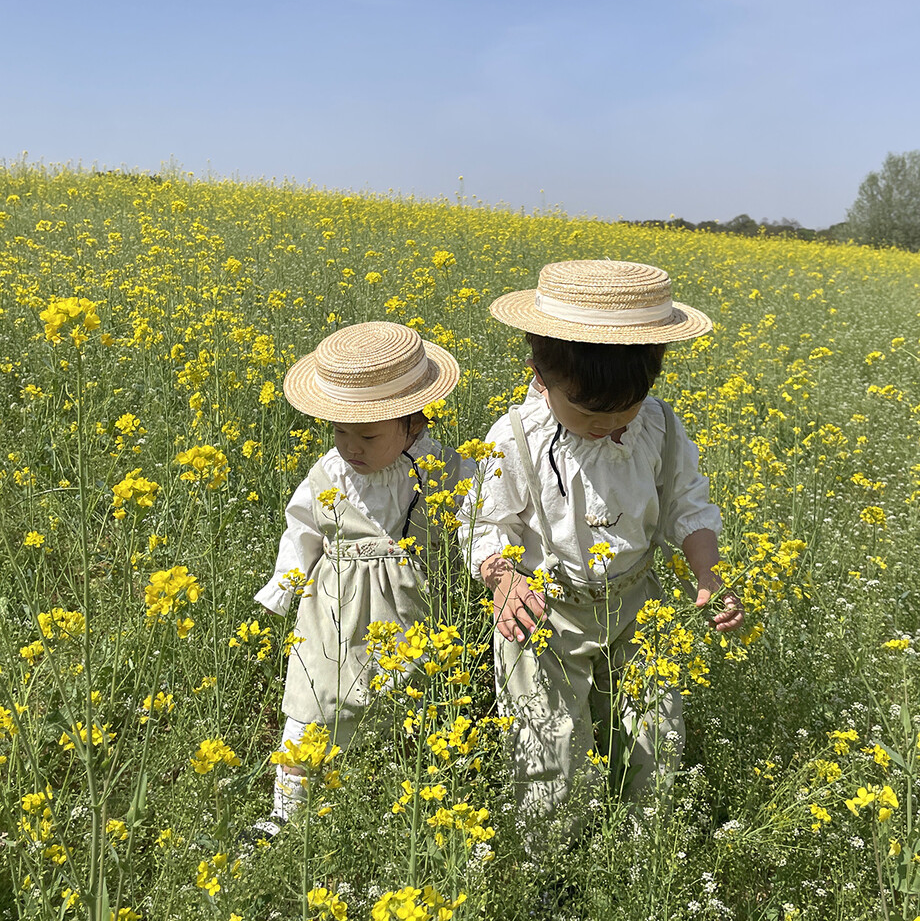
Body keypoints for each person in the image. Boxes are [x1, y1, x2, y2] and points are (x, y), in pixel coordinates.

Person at [458, 259, 744, 841]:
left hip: (638, 605)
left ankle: (642, 855)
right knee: (548, 744)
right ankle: (550, 862)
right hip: (542, 611)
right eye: (588, 412)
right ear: (540, 376)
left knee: (654, 737)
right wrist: (503, 578)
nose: (607, 425)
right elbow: (484, 521)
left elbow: (688, 505)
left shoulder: (658, 427)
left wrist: (709, 574)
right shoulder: (516, 436)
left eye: (625, 409)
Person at [255, 320, 474, 826]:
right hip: (331, 610)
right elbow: (301, 529)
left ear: (413, 425)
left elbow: (477, 519)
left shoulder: (443, 468)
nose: (351, 447)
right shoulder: (329, 472)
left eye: (368, 435)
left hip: (410, 608)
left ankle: (400, 809)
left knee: (409, 708)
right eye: (340, 432)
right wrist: (284, 589)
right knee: (313, 704)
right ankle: (286, 815)